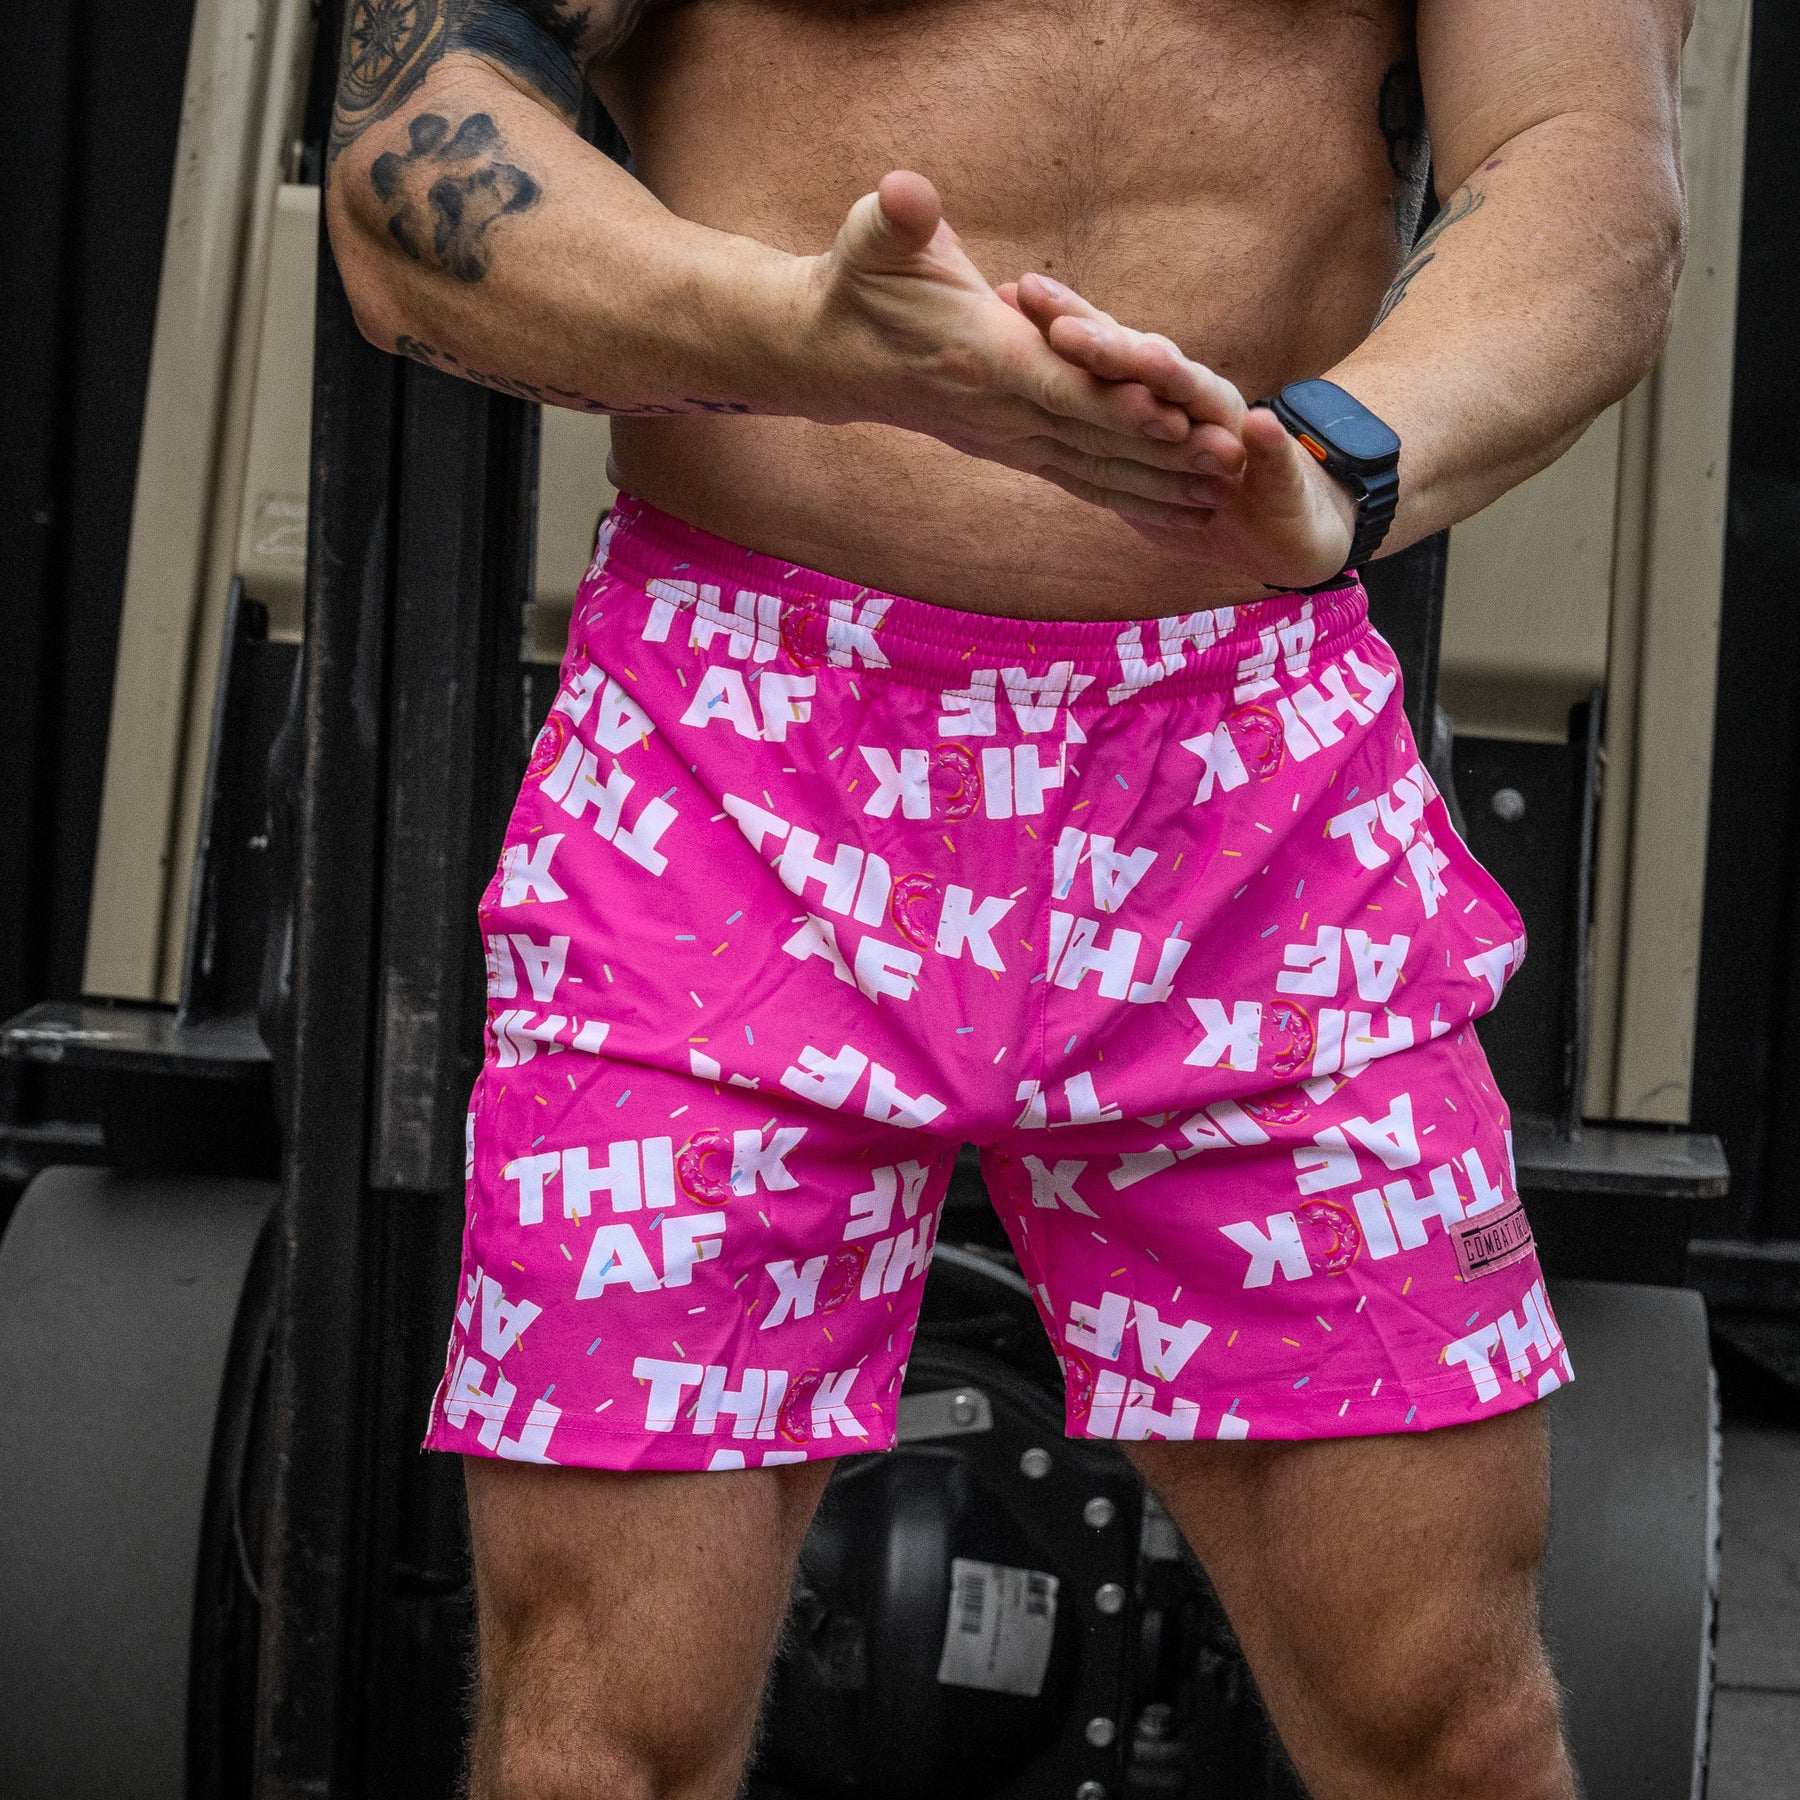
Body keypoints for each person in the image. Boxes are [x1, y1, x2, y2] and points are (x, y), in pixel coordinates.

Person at [326, 3, 1689, 1795]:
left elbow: (1587, 163)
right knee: (601, 1733)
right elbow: (405, 152)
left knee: (1447, 1719)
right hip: (737, 757)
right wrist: (801, 336)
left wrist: (1339, 462)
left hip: (1241, 773)